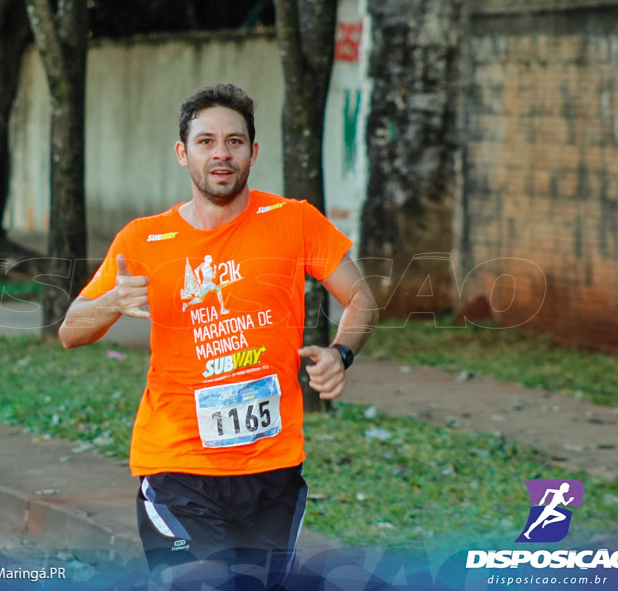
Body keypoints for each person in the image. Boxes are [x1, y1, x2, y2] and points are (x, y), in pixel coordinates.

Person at [58, 84, 378, 588]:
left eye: (234, 141)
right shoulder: (143, 239)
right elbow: (69, 331)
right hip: (177, 465)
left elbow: (361, 300)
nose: (221, 153)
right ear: (183, 153)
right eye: (206, 141)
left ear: (254, 151)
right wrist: (111, 302)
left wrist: (342, 352)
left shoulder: (294, 220)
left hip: (272, 467)